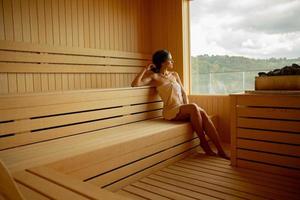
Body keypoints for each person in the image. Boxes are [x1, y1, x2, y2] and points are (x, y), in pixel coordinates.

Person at [131, 49, 229, 160]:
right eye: (170, 59)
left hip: (182, 109)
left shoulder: (175, 75)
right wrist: (145, 69)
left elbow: (183, 92)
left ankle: (220, 150)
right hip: (170, 111)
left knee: (202, 113)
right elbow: (135, 84)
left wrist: (190, 110)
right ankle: (204, 143)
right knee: (194, 107)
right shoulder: (155, 77)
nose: (173, 61)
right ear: (163, 62)